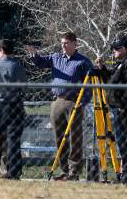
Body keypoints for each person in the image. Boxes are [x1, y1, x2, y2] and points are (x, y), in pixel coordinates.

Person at [26, 32, 93, 181]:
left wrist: (82, 103)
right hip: (57, 101)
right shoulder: (56, 58)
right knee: (59, 137)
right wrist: (34, 55)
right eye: (62, 43)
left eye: (66, 43)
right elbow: (41, 63)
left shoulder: (83, 61)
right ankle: (64, 170)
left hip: (74, 102)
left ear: (75, 44)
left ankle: (74, 171)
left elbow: (89, 84)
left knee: (74, 138)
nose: (63, 46)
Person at [94, 36, 127, 184]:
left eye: (117, 48)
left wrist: (122, 105)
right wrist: (102, 68)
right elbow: (110, 80)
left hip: (124, 109)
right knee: (122, 142)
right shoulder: (121, 63)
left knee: (125, 142)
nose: (114, 51)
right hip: (117, 108)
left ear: (125, 49)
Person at [0, 39, 27, 180]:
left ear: (1, 49)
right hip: (15, 104)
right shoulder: (17, 66)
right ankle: (13, 172)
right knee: (14, 139)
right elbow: (23, 86)